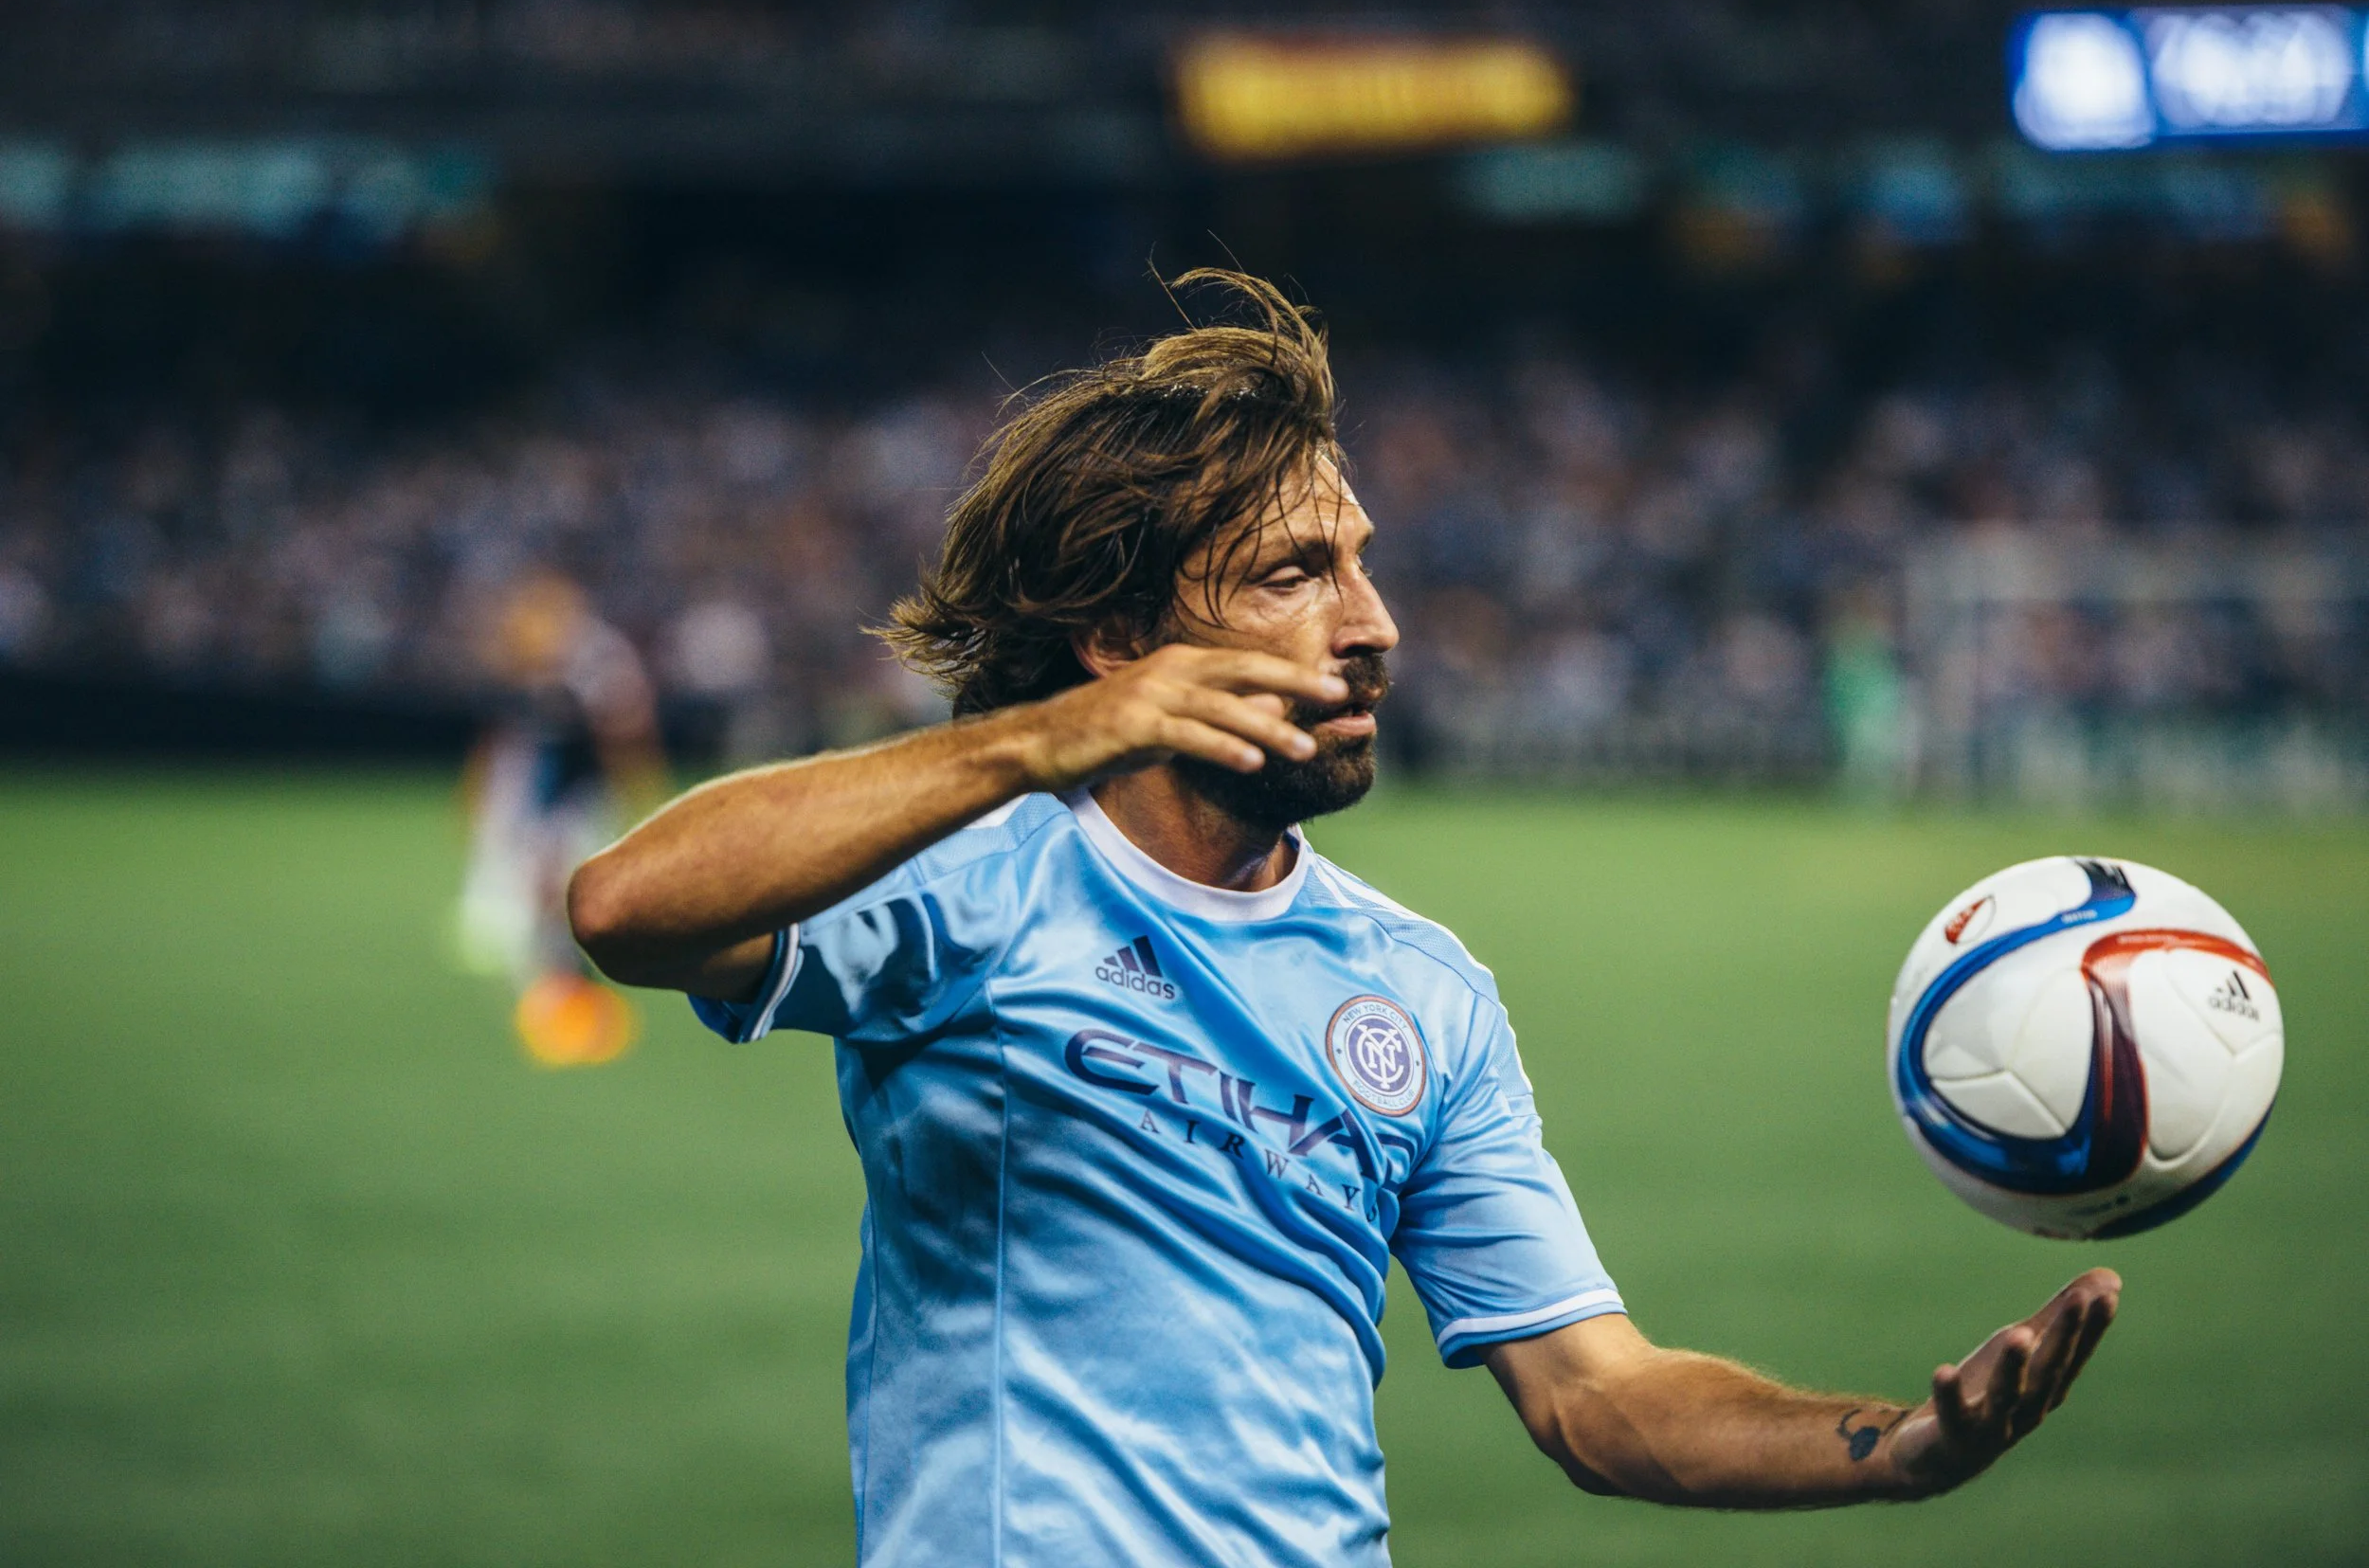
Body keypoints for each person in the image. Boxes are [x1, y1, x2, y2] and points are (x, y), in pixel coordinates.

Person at [567, 273, 2119, 1565]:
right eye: (1297, 574)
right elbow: (625, 906)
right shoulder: (983, 878)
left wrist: (1895, 1447)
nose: (1371, 626)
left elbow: (1597, 1391)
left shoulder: (1420, 989)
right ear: (1122, 635)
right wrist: (1035, 740)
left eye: (1362, 566)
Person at [459, 572, 668, 1065]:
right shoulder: (531, 668)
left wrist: (640, 791)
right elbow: (506, 737)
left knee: (562, 901)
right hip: (540, 799)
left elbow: (625, 733)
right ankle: (557, 1002)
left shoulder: (597, 660)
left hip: (574, 800)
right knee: (536, 909)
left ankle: (567, 1006)